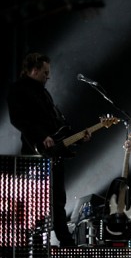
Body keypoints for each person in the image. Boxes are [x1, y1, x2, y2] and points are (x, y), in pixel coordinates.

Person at [7, 52, 91, 247]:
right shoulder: (18, 90)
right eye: (45, 72)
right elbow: (18, 119)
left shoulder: (44, 93)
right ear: (34, 70)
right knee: (35, 201)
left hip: (54, 155)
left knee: (58, 200)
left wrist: (79, 138)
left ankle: (65, 241)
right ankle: (36, 243)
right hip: (34, 153)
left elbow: (58, 127)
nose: (48, 76)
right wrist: (41, 136)